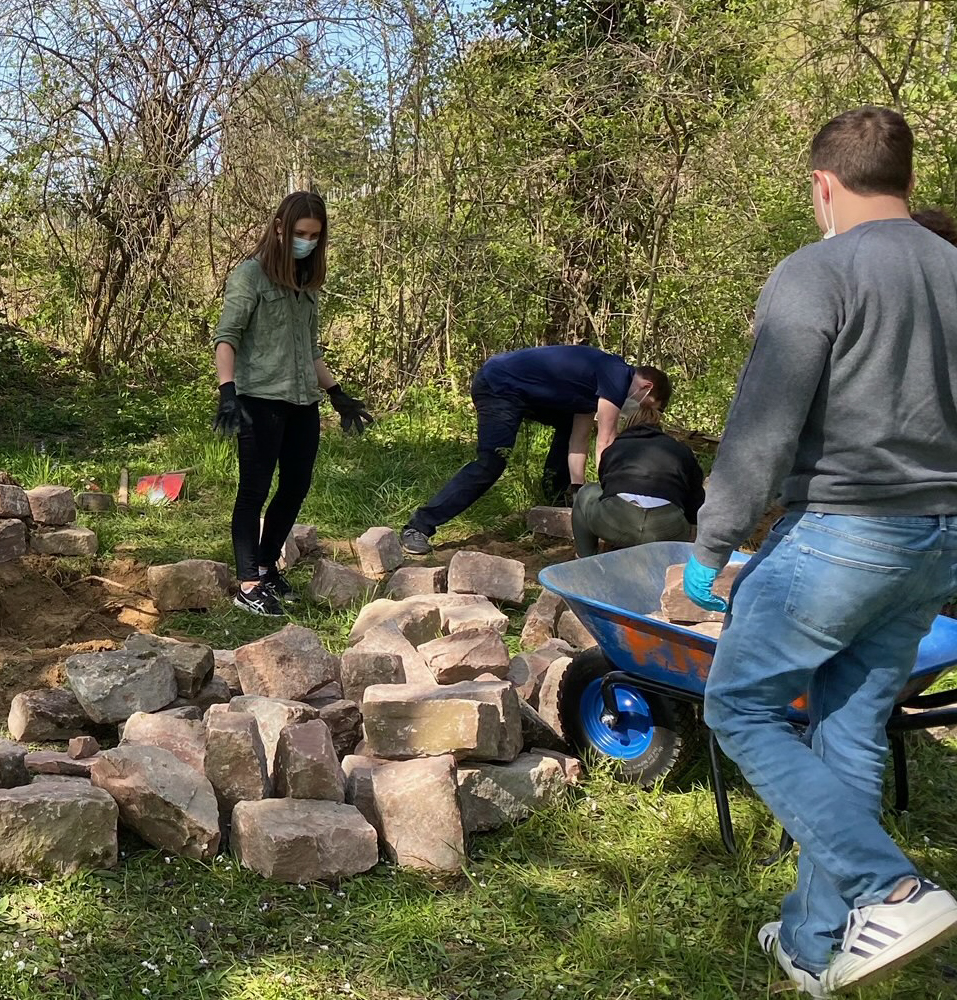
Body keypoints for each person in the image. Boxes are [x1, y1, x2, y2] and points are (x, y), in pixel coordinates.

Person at [685, 106, 957, 995]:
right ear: (907, 182)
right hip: (935, 541)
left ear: (823, 185)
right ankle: (813, 943)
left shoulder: (816, 272)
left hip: (843, 531)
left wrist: (712, 546)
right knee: (845, 725)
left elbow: (761, 430)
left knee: (738, 707)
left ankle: (893, 887)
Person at [210, 190, 373, 616]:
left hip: (303, 401)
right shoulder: (252, 276)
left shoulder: (307, 285)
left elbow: (311, 350)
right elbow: (227, 337)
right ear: (280, 228)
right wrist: (228, 393)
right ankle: (247, 585)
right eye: (300, 233)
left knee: (296, 485)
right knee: (254, 490)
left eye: (315, 235)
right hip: (259, 399)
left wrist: (337, 394)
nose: (307, 241)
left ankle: (266, 568)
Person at [399, 345, 668, 556]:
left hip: (522, 392)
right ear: (646, 387)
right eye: (648, 406)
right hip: (498, 385)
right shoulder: (617, 375)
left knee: (567, 425)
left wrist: (579, 491)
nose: (641, 410)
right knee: (492, 461)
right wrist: (613, 496)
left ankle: (557, 495)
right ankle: (419, 526)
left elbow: (580, 437)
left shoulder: (594, 386)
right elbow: (606, 440)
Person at [570, 370, 703, 557]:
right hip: (667, 531)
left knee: (586, 492)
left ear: (629, 424)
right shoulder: (680, 450)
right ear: (659, 425)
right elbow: (696, 503)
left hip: (617, 523)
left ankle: (585, 560)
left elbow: (607, 489)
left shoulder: (615, 448)